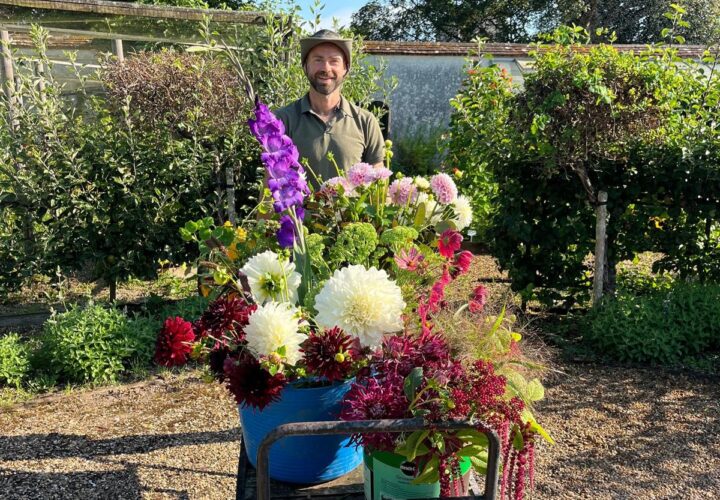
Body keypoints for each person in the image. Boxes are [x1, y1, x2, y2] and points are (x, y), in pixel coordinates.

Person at [275, 30, 386, 184]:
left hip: (352, 209)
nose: (326, 68)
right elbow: (272, 181)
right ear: (305, 66)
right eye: (318, 60)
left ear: (346, 68)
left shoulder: (365, 122)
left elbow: (379, 184)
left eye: (334, 61)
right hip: (298, 209)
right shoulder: (282, 120)